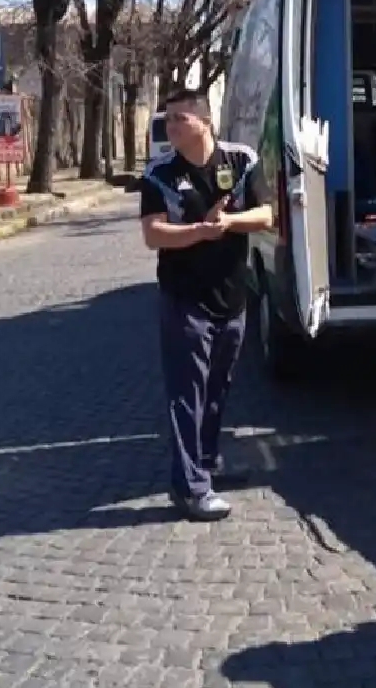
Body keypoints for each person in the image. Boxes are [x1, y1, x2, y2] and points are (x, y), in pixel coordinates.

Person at [140, 89, 274, 522]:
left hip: (232, 297)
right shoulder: (160, 173)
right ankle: (190, 488)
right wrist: (200, 231)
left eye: (180, 118)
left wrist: (229, 222)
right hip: (185, 299)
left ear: (205, 121)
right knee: (187, 394)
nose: (171, 126)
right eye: (168, 119)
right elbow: (154, 234)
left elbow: (268, 215)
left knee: (218, 389)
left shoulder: (241, 161)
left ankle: (208, 464)